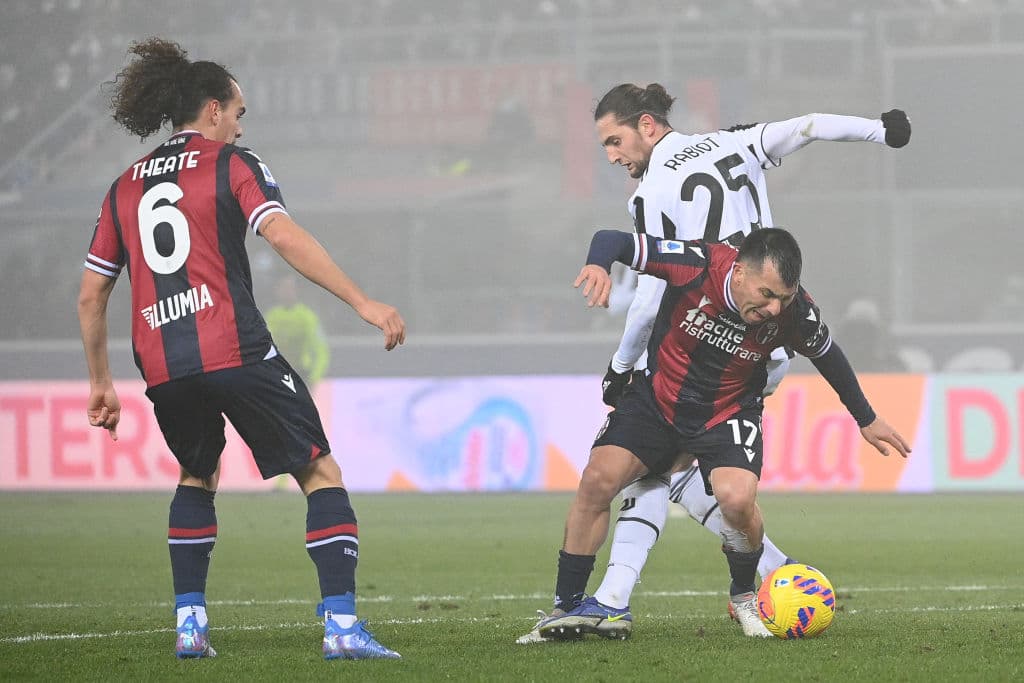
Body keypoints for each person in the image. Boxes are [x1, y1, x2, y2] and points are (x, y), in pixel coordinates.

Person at [518, 83, 911, 642]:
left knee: (661, 468)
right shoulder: (739, 142)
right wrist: (882, 130)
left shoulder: (655, 191)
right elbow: (810, 124)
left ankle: (615, 600)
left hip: (722, 334)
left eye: (614, 141)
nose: (613, 156)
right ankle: (753, 575)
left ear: (648, 126)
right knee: (663, 470)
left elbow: (653, 293)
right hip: (761, 342)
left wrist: (623, 361)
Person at [77, 38, 405, 661]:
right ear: (210, 110)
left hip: (163, 362)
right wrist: (362, 301)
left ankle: (190, 627)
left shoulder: (121, 187)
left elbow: (93, 295)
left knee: (197, 474)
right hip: (233, 346)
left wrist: (101, 381)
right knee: (319, 471)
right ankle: (341, 628)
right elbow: (279, 232)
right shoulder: (232, 163)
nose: (239, 123)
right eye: (237, 111)